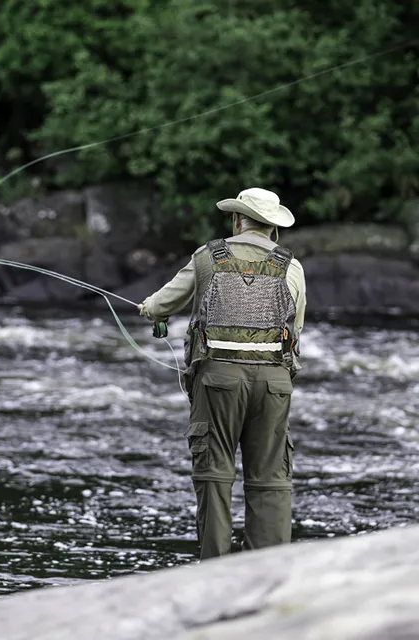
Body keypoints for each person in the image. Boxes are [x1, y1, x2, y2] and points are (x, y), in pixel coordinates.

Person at [139, 187, 306, 560]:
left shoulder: (207, 256)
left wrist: (150, 308)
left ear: (236, 219)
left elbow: (164, 302)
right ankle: (267, 570)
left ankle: (215, 569)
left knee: (215, 477)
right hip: (274, 384)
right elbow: (295, 331)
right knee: (270, 481)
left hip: (217, 382)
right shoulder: (291, 266)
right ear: (273, 228)